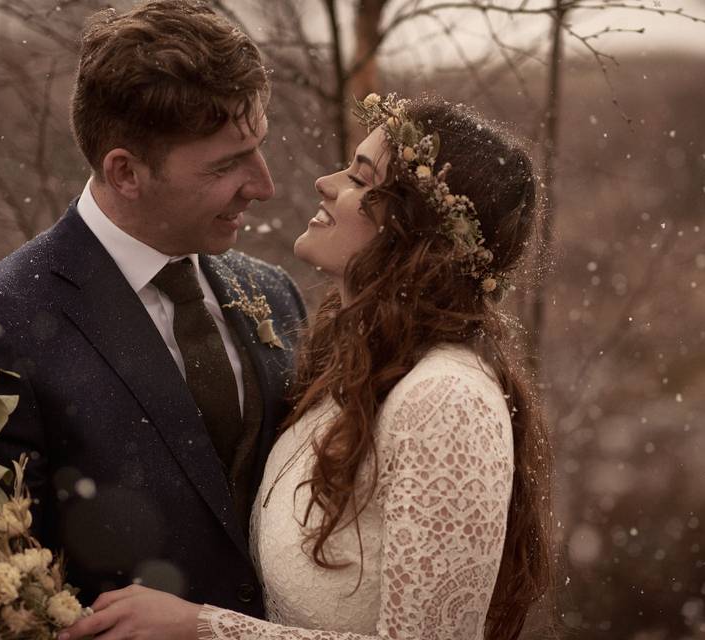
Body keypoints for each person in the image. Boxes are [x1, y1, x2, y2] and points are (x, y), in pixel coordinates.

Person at [61, 94, 554, 640]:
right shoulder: (356, 372)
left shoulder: (446, 399)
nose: (326, 181)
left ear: (416, 229)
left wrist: (199, 628)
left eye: (361, 179)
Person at [0, 0, 306, 615]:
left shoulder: (275, 296)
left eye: (258, 148)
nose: (263, 184)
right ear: (125, 172)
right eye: (227, 164)